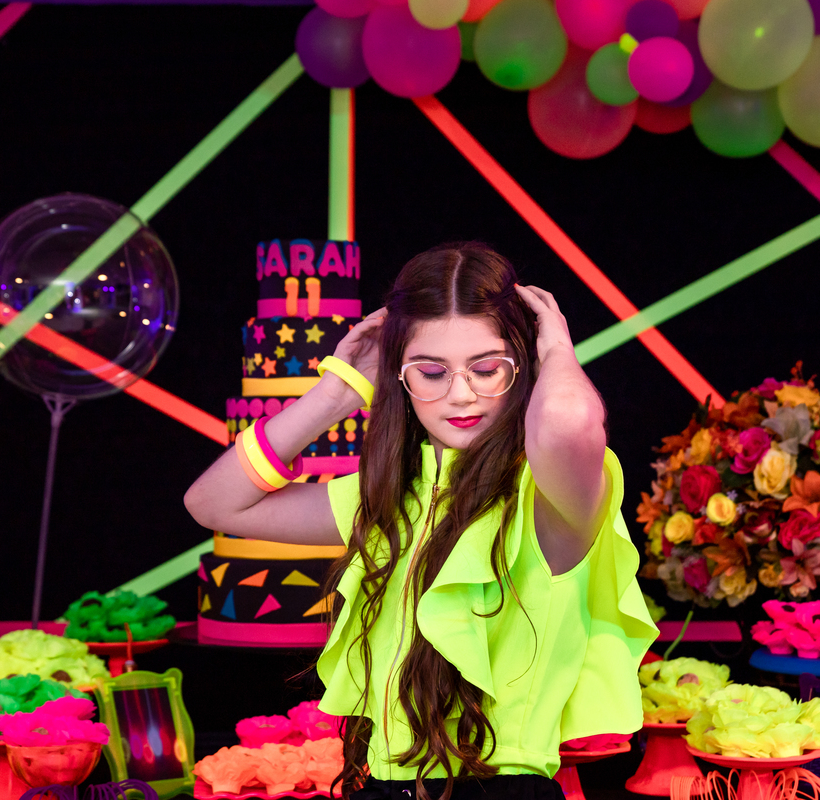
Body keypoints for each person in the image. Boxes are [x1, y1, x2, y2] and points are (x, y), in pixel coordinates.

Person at [185, 243, 657, 800]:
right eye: (431, 372)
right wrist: (335, 394)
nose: (460, 394)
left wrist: (553, 349)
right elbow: (213, 504)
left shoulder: (550, 497)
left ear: (522, 365)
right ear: (401, 378)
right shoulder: (386, 496)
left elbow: (566, 420)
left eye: (488, 368)